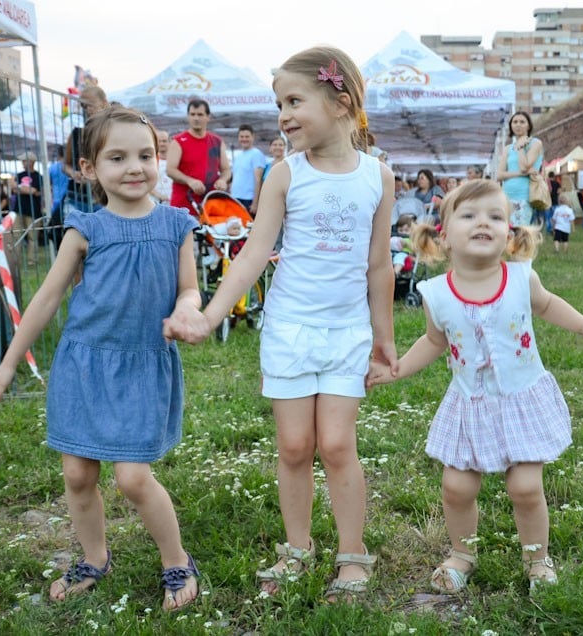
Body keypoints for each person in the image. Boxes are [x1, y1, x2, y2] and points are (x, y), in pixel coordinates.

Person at [164, 45, 397, 602]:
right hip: (290, 330)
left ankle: (352, 555)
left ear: (340, 101)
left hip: (347, 334)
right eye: (278, 104)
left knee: (337, 445)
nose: (283, 114)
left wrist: (384, 339)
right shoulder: (283, 174)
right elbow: (250, 254)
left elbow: (380, 264)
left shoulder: (378, 177)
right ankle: (296, 549)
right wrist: (210, 313)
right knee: (294, 447)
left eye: (295, 100)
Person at [0, 106, 202, 611]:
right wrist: (10, 363)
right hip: (83, 366)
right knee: (78, 476)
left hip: (142, 365)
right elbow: (47, 299)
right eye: (117, 157)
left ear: (160, 159)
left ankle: (176, 559)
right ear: (89, 168)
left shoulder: (176, 225)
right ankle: (94, 557)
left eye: (145, 155)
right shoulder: (84, 229)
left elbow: (189, 290)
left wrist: (188, 312)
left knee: (132, 478)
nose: (134, 168)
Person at [366, 179, 583, 594]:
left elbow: (548, 304)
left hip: (522, 400)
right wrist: (398, 369)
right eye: (470, 215)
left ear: (510, 235)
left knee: (525, 486)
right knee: (456, 486)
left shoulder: (520, 279)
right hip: (470, 404)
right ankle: (462, 554)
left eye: (496, 217)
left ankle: (538, 559)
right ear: (443, 235)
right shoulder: (436, 293)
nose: (484, 223)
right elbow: (433, 341)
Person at [167, 99, 231, 213]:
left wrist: (223, 180)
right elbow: (170, 170)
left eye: (200, 114)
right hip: (183, 206)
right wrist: (189, 181)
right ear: (188, 117)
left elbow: (226, 170)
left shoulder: (217, 141)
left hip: (210, 206)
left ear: (208, 117)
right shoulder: (178, 141)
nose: (196, 118)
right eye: (192, 114)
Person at [62, 86, 109, 222]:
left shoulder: (112, 133)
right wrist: (74, 173)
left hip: (104, 198)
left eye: (91, 103)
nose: (87, 108)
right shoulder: (77, 134)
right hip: (76, 198)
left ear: (104, 102)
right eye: (84, 105)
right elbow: (66, 165)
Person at [497, 111, 543, 227]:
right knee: (506, 233)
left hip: (524, 197)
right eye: (515, 122)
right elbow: (499, 175)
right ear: (511, 126)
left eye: (522, 122)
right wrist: (519, 173)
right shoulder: (508, 148)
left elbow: (523, 167)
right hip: (507, 196)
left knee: (520, 234)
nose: (518, 125)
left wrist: (521, 146)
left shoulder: (535, 143)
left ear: (528, 125)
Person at [14, 151, 44, 265]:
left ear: (31, 162)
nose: (22, 162)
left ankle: (32, 260)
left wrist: (20, 188)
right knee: (16, 235)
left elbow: (35, 191)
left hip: (33, 210)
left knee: (33, 237)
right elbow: (13, 188)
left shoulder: (38, 177)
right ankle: (15, 259)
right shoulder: (19, 175)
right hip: (18, 209)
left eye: (24, 160)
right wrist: (27, 190)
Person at [230, 124, 266, 213]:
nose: (244, 139)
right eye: (241, 136)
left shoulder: (256, 154)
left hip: (248, 200)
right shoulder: (238, 156)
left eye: (247, 136)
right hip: (235, 198)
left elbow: (258, 180)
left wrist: (255, 203)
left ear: (252, 137)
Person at [152, 128, 173, 204]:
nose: (161, 144)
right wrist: (159, 196)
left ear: (169, 142)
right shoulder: (151, 160)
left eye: (164, 141)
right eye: (159, 141)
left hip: (173, 202)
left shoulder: (175, 161)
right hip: (156, 201)